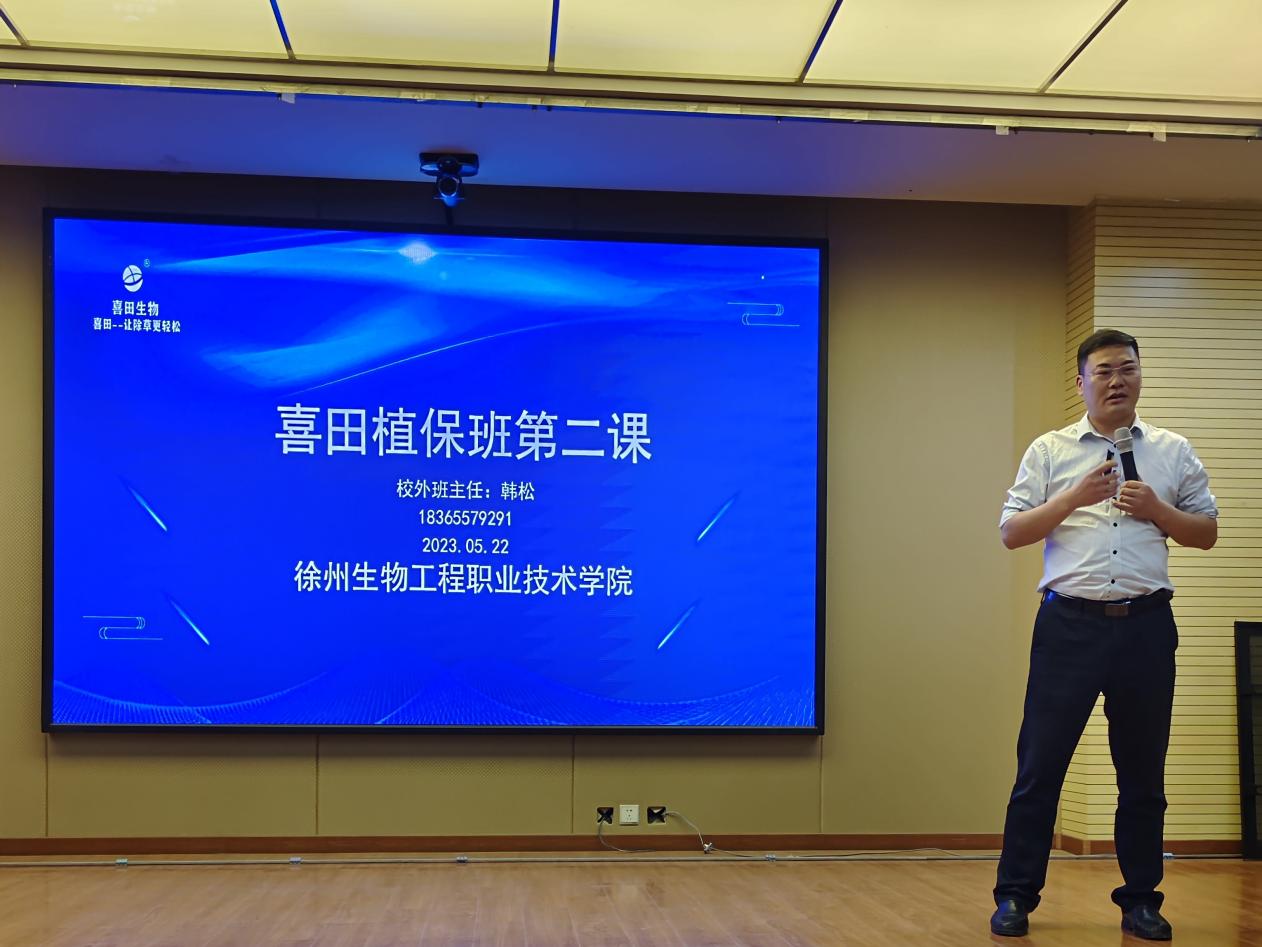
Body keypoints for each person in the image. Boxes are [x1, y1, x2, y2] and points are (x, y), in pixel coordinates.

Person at [990, 329, 1218, 940]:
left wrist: (1159, 511)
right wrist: (1075, 496)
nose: (1118, 381)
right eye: (1105, 371)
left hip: (1146, 628)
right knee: (1040, 766)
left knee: (1142, 773)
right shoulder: (1050, 450)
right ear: (1082, 382)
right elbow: (1012, 532)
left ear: (1140, 375)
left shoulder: (1172, 450)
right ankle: (1015, 896)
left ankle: (1141, 900)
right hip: (1068, 626)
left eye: (1128, 369)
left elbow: (1206, 533)